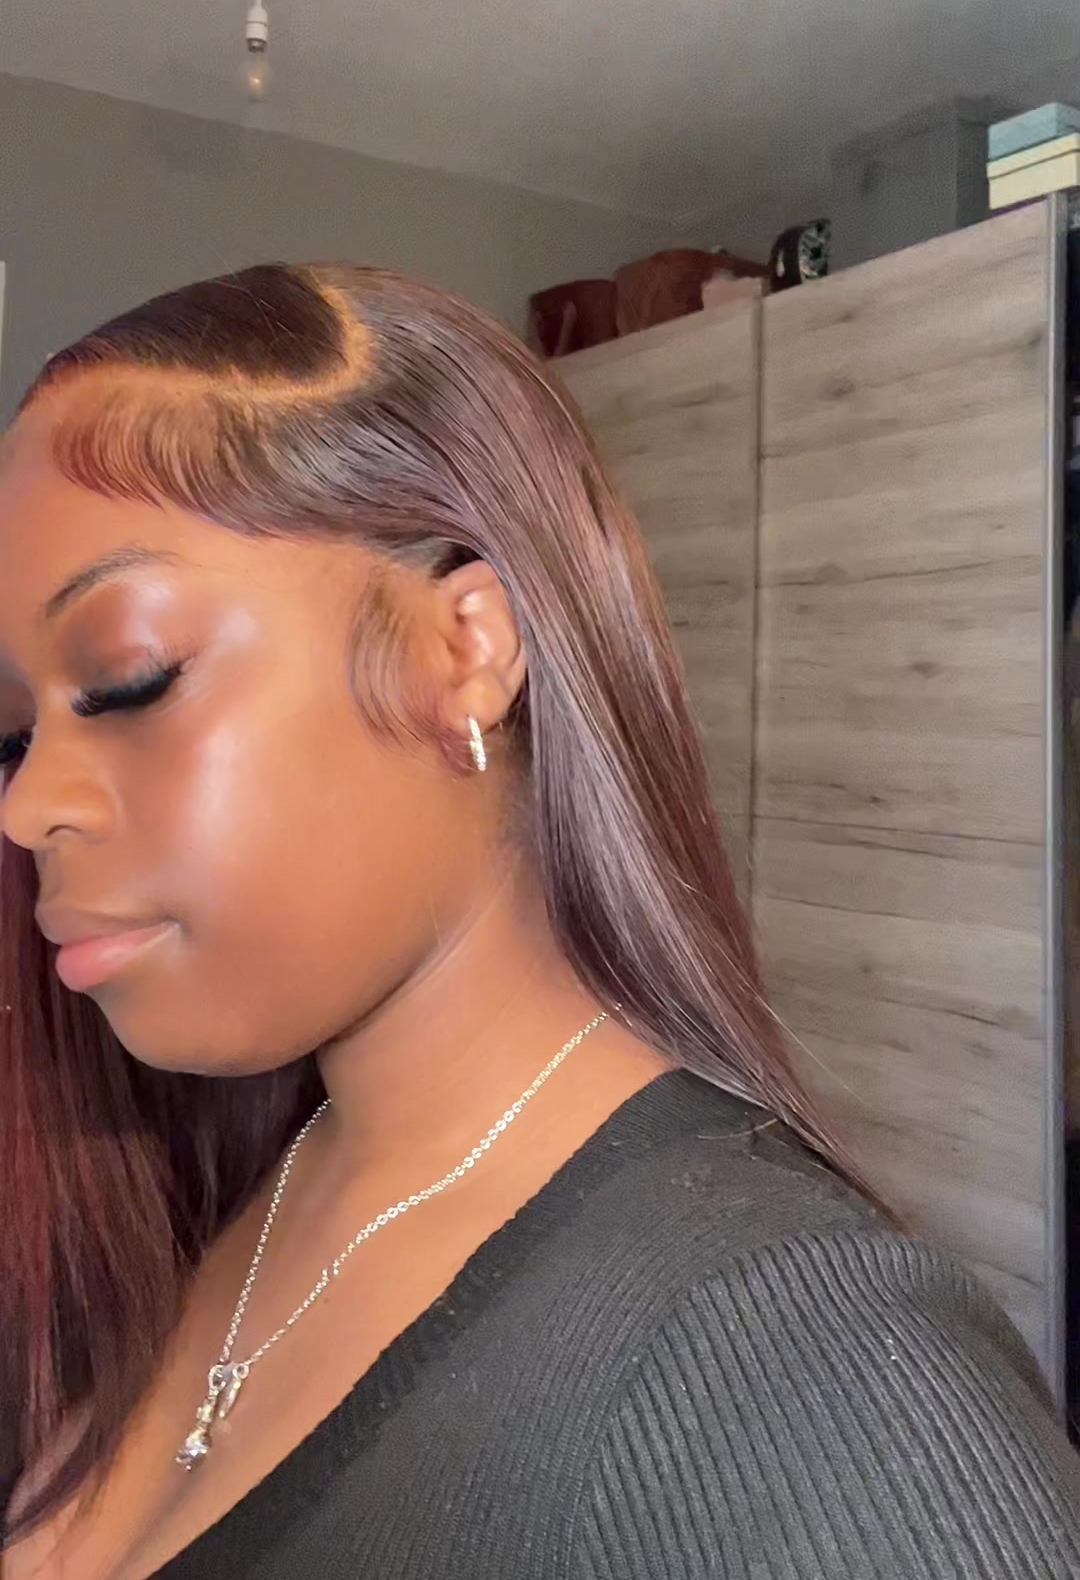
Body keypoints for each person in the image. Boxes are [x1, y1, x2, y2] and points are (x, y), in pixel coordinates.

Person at [0, 262, 1076, 1580]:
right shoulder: (213, 1180)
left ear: (466, 647)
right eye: (16, 732)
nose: (29, 805)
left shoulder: (811, 1381)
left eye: (127, 680)